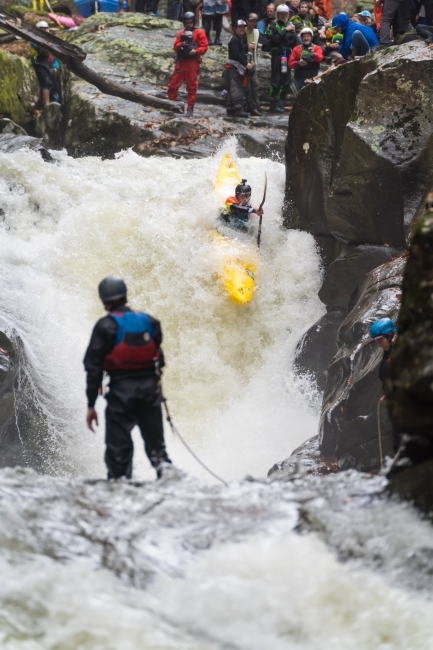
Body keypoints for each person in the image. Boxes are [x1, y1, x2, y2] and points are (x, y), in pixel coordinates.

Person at [84, 276, 172, 480]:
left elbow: (92, 367)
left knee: (118, 456)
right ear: (124, 295)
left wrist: (91, 404)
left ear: (104, 300)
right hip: (150, 393)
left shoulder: (105, 327)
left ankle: (121, 499)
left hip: (121, 396)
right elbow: (159, 357)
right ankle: (172, 490)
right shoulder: (150, 322)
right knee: (158, 453)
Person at [167, 11, 208, 117]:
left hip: (192, 62)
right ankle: (172, 105)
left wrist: (196, 51)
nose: (188, 25)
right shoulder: (180, 33)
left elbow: (204, 47)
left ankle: (190, 108)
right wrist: (182, 43)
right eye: (186, 23)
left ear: (193, 22)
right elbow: (175, 47)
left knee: (192, 86)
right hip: (181, 61)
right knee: (172, 85)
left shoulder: (199, 33)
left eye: (190, 23)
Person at [369, 318, 399, 451]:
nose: (379, 344)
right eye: (377, 342)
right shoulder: (388, 351)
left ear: (390, 335)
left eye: (381, 340)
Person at [266, 4, 298, 112]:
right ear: (278, 14)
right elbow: (274, 39)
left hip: (287, 55)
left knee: (287, 80)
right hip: (277, 55)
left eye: (285, 14)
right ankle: (273, 103)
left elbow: (294, 42)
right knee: (276, 80)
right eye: (281, 14)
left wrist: (293, 33)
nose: (283, 16)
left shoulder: (290, 25)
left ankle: (281, 102)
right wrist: (286, 30)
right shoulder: (273, 24)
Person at [224, 19, 252, 117]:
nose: (242, 29)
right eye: (240, 27)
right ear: (235, 28)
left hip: (234, 67)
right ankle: (238, 108)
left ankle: (231, 109)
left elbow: (240, 50)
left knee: (233, 88)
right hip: (233, 68)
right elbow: (236, 54)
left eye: (243, 27)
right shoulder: (234, 39)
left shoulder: (238, 39)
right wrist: (245, 64)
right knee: (236, 88)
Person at [30, 21, 60, 106]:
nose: (43, 31)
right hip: (39, 63)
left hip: (49, 63)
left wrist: (55, 67)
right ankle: (47, 104)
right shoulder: (33, 40)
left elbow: (54, 57)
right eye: (41, 29)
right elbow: (34, 55)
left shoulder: (50, 42)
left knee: (54, 84)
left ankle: (55, 103)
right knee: (47, 83)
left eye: (45, 29)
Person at [289, 27, 323, 92]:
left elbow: (320, 58)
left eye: (308, 36)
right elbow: (290, 64)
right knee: (296, 95)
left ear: (311, 38)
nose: (306, 38)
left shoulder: (317, 48)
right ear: (301, 38)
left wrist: (314, 55)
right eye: (304, 37)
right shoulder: (296, 49)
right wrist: (298, 63)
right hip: (300, 76)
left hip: (313, 76)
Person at [245, 13, 262, 114]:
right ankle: (245, 106)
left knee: (255, 85)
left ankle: (255, 107)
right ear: (247, 21)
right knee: (245, 86)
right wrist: (246, 46)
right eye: (251, 21)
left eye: (254, 21)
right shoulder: (242, 31)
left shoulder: (256, 32)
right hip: (243, 62)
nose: (252, 23)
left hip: (253, 62)